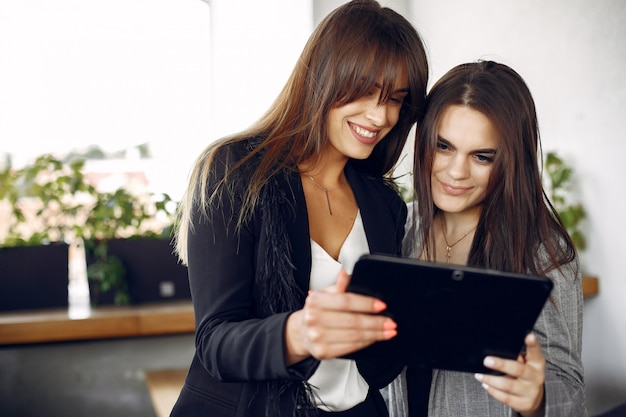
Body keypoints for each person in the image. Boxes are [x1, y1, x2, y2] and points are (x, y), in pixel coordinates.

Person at [169, 1, 429, 416]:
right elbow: (216, 342)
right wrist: (298, 334)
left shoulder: (384, 205)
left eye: (396, 99)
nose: (380, 115)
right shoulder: (233, 172)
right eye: (364, 90)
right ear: (324, 77)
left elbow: (380, 361)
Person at [388, 60, 587, 417]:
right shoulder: (402, 224)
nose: (456, 171)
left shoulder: (544, 252)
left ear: (511, 162)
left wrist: (537, 398)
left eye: (482, 156)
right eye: (443, 146)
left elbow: (571, 393)